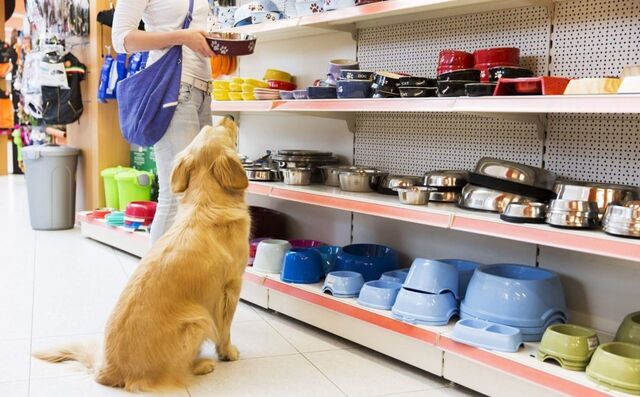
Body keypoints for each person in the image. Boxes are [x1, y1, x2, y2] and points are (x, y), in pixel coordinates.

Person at [112, 0, 215, 244]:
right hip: (174, 92)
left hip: (203, 90)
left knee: (199, 194)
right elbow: (121, 39)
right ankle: (152, 281)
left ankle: (184, 277)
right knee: (176, 194)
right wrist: (181, 37)